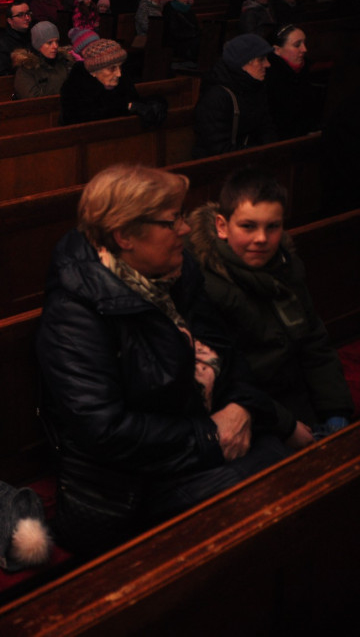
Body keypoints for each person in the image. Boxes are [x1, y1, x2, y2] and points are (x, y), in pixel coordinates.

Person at [36, 163, 286, 555]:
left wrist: (242, 406)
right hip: (129, 485)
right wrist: (208, 435)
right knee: (271, 488)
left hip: (191, 440)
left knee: (287, 467)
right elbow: (104, 430)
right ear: (125, 236)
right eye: (173, 221)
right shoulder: (74, 312)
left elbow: (228, 350)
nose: (186, 230)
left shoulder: (176, 274)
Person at [188, 169, 354, 450]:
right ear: (222, 226)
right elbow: (230, 377)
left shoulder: (287, 269)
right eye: (248, 226)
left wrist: (336, 410)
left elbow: (314, 342)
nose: (262, 238)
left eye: (273, 226)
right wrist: (286, 425)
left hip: (297, 396)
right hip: (255, 413)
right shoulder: (205, 285)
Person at [192, 34, 277, 157]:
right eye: (261, 59)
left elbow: (267, 127)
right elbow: (217, 149)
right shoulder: (216, 96)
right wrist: (258, 153)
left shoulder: (255, 86)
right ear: (244, 63)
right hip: (219, 167)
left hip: (249, 159)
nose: (268, 64)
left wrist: (269, 150)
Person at [60, 39, 164, 126]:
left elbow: (135, 101)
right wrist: (126, 107)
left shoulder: (123, 82)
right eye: (112, 68)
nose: (119, 74)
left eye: (120, 66)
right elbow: (85, 118)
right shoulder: (76, 88)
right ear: (94, 72)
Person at [265, 25, 322, 139]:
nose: (304, 49)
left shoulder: (304, 70)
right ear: (277, 50)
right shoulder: (268, 77)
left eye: (304, 43)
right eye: (297, 45)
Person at [12, 22, 74, 99]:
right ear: (38, 45)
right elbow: (32, 100)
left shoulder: (64, 62)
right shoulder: (26, 68)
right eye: (49, 43)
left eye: (56, 41)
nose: (55, 46)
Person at [163, 0, 200, 64]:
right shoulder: (170, 8)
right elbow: (172, 30)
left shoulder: (187, 9)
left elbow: (194, 24)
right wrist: (191, 35)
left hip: (187, 37)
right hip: (175, 40)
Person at [0, 2, 33, 74]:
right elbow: (2, 73)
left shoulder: (34, 35)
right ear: (10, 21)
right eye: (20, 15)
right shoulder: (3, 43)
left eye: (28, 13)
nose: (27, 18)